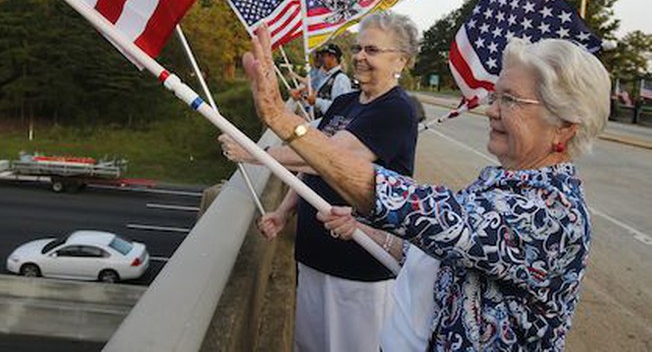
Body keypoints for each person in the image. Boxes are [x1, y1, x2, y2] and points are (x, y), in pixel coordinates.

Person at [240, 29, 610, 351]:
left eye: (510, 100)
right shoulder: (500, 181)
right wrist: (366, 231)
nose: (492, 111)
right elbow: (445, 255)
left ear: (563, 127)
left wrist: (280, 117)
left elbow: (435, 216)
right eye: (495, 97)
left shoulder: (550, 212)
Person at [220, 11, 420, 352]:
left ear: (400, 59)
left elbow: (328, 156)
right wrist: (284, 213)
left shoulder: (396, 109)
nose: (359, 56)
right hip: (314, 254)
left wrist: (254, 152)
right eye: (358, 48)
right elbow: (310, 162)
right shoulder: (344, 102)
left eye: (372, 50)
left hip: (358, 262)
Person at [307, 42, 352, 119]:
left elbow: (340, 108)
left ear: (333, 58)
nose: (322, 59)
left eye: (324, 56)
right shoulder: (326, 77)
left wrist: (317, 102)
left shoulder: (341, 79)